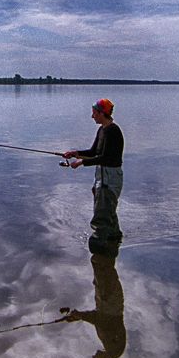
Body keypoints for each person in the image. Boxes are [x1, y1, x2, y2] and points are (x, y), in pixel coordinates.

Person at [62, 98, 124, 247]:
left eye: (94, 113)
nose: (92, 116)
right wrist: (74, 153)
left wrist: (81, 162)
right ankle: (114, 239)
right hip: (102, 175)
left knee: (101, 215)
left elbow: (105, 158)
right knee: (107, 210)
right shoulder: (102, 129)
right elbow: (93, 152)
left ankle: (98, 249)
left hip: (110, 177)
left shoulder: (113, 131)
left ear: (102, 113)